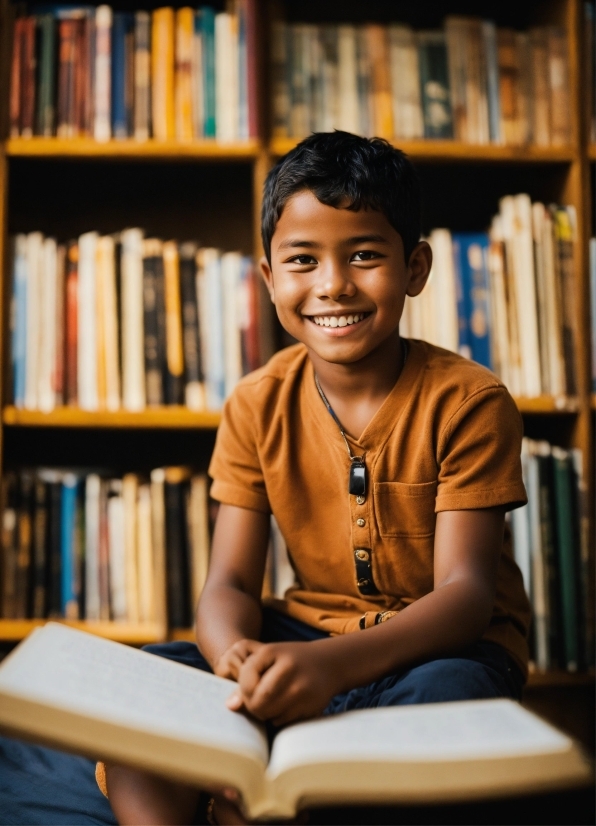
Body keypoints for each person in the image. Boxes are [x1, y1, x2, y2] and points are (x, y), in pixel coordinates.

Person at [104, 132, 531, 825]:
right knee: (149, 688)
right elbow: (230, 584)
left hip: (435, 651)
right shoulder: (255, 404)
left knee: (450, 696)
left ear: (414, 267)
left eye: (364, 255)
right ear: (271, 278)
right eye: (303, 261)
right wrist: (238, 660)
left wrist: (331, 671)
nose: (333, 284)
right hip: (302, 638)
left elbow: (464, 596)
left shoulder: (470, 402)